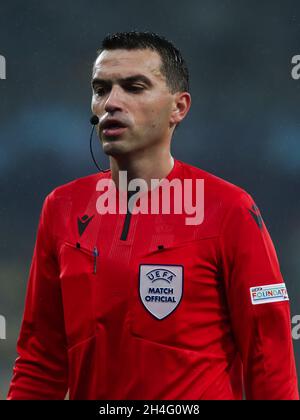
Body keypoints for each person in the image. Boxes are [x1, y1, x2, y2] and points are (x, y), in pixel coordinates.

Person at [8, 31, 299, 400]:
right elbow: (41, 363)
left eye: (134, 86)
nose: (112, 102)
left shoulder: (230, 210)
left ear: (178, 107)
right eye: (101, 89)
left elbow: (269, 359)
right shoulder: (62, 208)